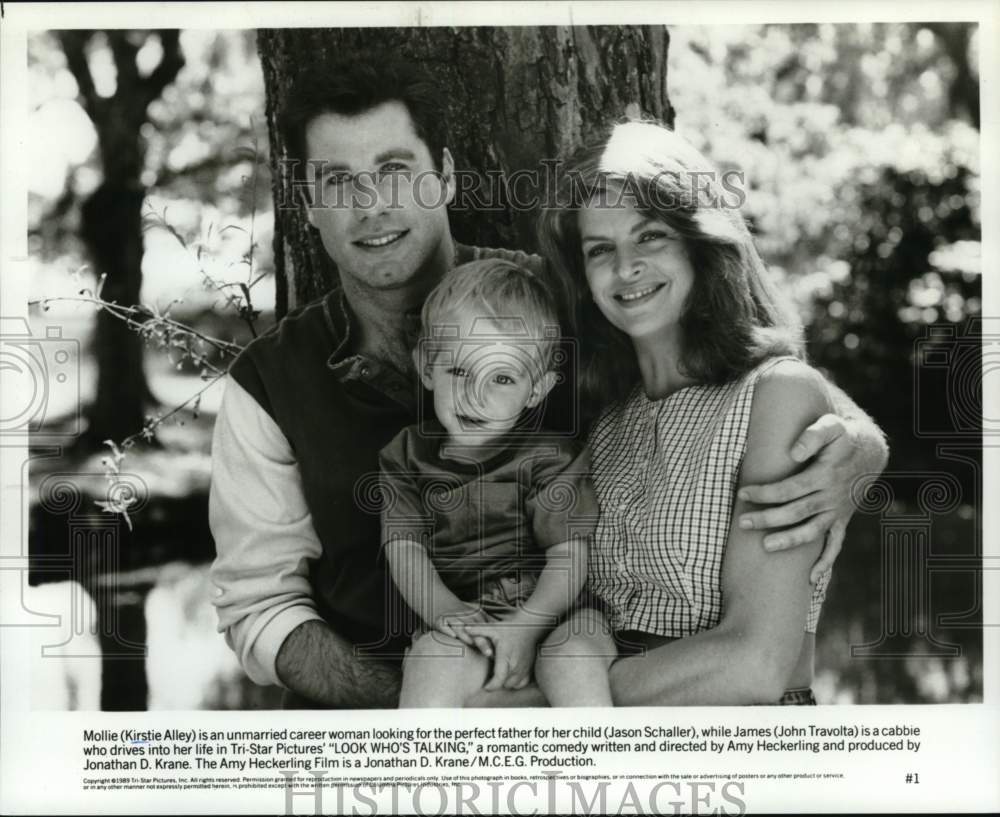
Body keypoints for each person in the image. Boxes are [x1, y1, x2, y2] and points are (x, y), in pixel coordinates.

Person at [208, 58, 888, 709]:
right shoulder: (267, 385)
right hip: (398, 717)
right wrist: (428, 704)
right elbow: (259, 607)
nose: (371, 208)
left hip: (573, 681)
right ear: (306, 201)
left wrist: (858, 442)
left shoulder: (561, 302)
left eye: (395, 171)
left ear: (442, 175)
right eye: (336, 182)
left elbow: (736, 367)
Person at [535, 120, 881, 704]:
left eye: (650, 237)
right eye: (601, 250)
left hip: (739, 750)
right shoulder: (608, 420)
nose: (626, 268)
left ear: (699, 241)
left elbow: (753, 664)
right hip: (617, 745)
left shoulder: (777, 396)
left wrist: (551, 708)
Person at [381, 258, 610, 707]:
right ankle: (423, 776)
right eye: (459, 371)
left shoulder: (551, 457)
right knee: (431, 659)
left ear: (537, 389)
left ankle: (600, 770)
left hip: (559, 614)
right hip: (467, 619)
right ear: (427, 366)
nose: (474, 395)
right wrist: (444, 611)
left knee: (574, 659)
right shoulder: (406, 457)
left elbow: (569, 555)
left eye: (502, 378)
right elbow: (403, 547)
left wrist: (527, 626)